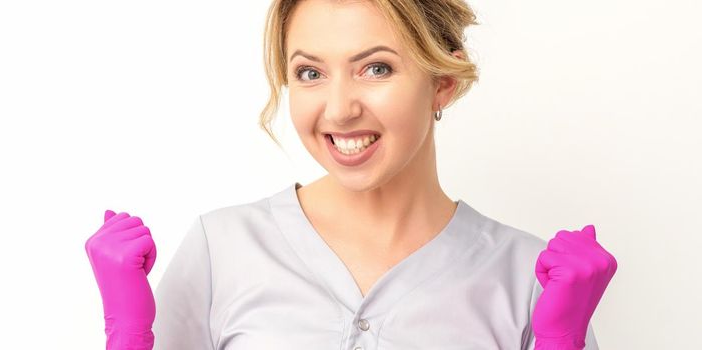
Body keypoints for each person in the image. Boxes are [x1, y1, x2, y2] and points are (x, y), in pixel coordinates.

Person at [85, 0, 617, 349]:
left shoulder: (529, 277)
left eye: (376, 68)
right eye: (310, 73)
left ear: (442, 83)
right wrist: (127, 336)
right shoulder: (221, 249)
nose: (338, 110)